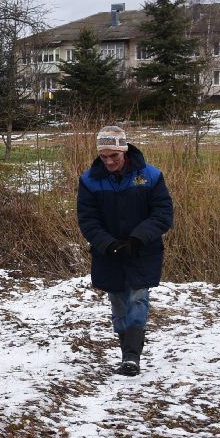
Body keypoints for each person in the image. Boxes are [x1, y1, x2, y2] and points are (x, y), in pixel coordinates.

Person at [76, 125, 173, 376]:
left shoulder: (150, 176)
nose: (108, 161)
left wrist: (138, 238)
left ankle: (132, 357)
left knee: (139, 297)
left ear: (125, 151)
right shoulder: (89, 181)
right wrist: (108, 244)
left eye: (114, 156)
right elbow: (87, 220)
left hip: (143, 250)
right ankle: (126, 352)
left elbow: (163, 215)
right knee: (118, 302)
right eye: (103, 156)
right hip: (108, 253)